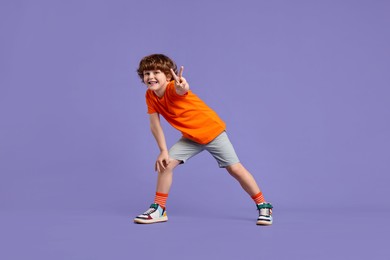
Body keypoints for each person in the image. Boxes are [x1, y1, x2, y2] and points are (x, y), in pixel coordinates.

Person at [133, 54, 273, 225]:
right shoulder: (150, 96)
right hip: (191, 137)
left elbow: (181, 90)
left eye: (156, 72)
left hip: (212, 132)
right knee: (166, 163)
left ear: (168, 76)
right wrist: (163, 150)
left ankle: (264, 206)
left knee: (235, 169)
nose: (151, 77)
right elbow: (155, 125)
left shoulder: (172, 88)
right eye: (147, 73)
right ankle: (159, 209)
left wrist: (182, 86)